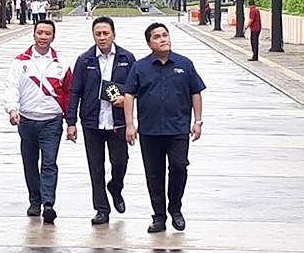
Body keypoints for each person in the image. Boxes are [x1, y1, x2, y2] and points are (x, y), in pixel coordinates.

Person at [124, 23, 205, 233]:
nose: (163, 39)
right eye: (157, 37)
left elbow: (195, 92)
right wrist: (130, 124)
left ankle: (175, 209)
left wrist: (198, 121)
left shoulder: (184, 64)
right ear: (149, 43)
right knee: (154, 174)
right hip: (150, 131)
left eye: (165, 35)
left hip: (178, 129)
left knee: (179, 167)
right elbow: (129, 95)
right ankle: (158, 216)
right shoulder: (140, 67)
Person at [66, 17, 135, 225]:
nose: (102, 37)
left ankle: (116, 186)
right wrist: (71, 122)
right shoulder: (85, 60)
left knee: (120, 162)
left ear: (113, 34)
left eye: (106, 33)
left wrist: (126, 102)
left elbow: (137, 88)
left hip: (118, 122)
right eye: (98, 34)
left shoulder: (127, 58)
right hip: (92, 121)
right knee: (95, 166)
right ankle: (101, 209)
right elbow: (74, 91)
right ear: (93, 35)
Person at [4, 20, 72, 224]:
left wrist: (70, 121)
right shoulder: (20, 61)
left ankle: (49, 203)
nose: (43, 37)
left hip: (51, 120)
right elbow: (11, 86)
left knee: (49, 163)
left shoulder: (62, 62)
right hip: (27, 120)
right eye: (40, 32)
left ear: (53, 37)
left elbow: (69, 93)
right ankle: (35, 200)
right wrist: (12, 108)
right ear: (33, 34)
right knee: (30, 162)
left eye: (47, 33)